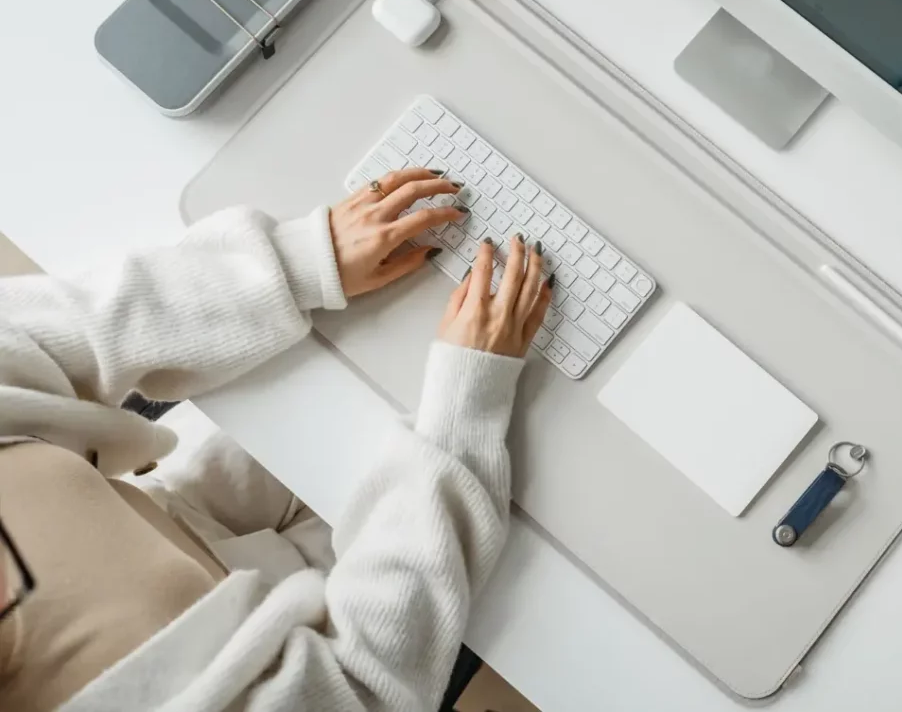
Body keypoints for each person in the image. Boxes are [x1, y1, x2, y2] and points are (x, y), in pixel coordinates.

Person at [0, 167, 551, 712]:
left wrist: (302, 263)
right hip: (297, 661)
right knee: (548, 494)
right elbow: (366, 681)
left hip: (177, 522)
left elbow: (55, 330)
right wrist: (464, 405)